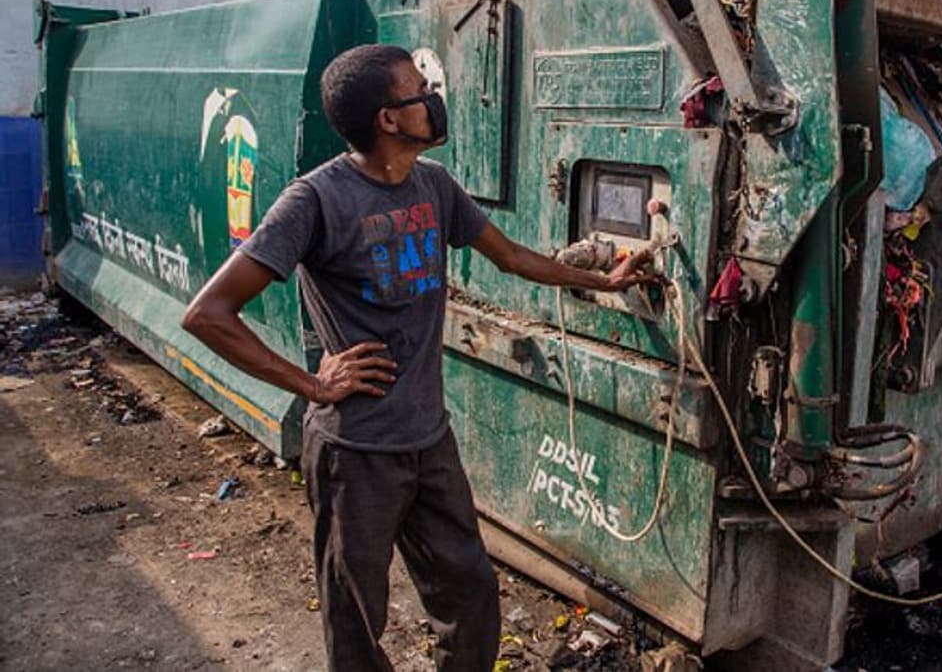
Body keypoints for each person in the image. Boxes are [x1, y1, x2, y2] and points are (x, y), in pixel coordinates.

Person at [182, 43, 653, 671]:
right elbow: (208, 314)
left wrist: (605, 282)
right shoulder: (315, 200)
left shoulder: (433, 185)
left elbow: (510, 257)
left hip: (429, 441)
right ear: (389, 118)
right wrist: (311, 385)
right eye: (418, 91)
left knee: (471, 595)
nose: (434, 100)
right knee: (356, 621)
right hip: (356, 453)